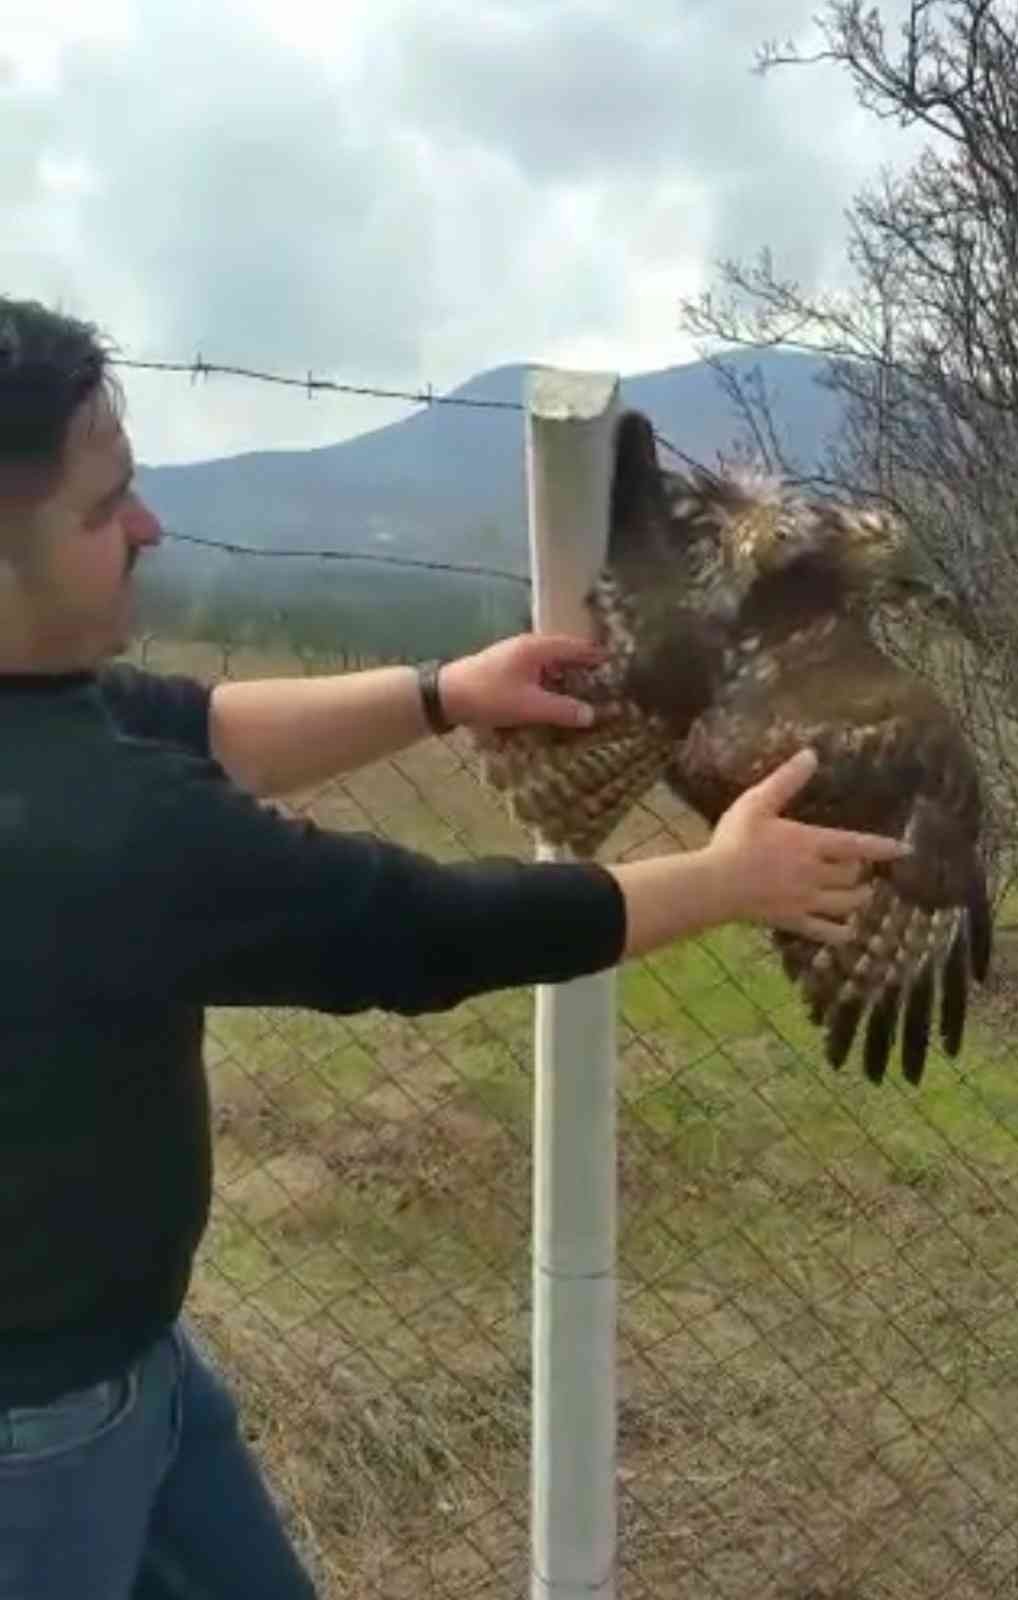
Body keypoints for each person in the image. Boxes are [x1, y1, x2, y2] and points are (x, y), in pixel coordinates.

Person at [0, 297, 909, 1599]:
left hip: (120, 1357)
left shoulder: (44, 712)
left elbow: (193, 724)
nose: (149, 527)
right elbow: (419, 935)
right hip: (40, 1434)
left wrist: (441, 695)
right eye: (103, 513)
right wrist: (719, 883)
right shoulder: (82, 828)